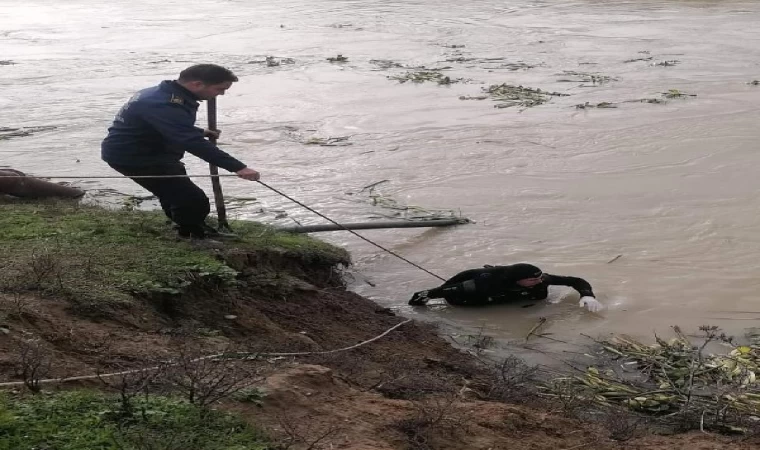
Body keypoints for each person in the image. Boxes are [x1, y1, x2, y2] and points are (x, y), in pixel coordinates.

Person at [101, 64, 260, 241]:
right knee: (193, 200)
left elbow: (164, 125)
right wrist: (238, 167)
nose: (221, 94)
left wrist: (199, 131)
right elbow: (190, 142)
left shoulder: (164, 94)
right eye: (220, 89)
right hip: (136, 158)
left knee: (174, 194)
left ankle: (188, 227)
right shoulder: (164, 103)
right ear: (197, 84)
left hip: (151, 152)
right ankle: (193, 236)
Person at [408, 263, 604, 312]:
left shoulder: (541, 279)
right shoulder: (483, 284)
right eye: (531, 281)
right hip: (473, 297)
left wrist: (587, 296)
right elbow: (425, 294)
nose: (539, 282)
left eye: (539, 279)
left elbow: (576, 281)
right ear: (518, 279)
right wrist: (418, 310)